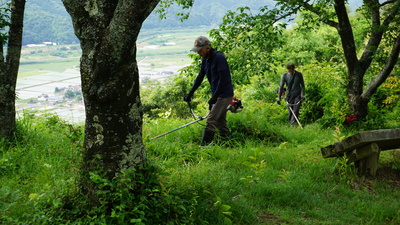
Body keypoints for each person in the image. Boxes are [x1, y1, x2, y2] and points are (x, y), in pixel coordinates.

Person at [184, 36, 234, 145]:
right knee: (220, 121)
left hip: (224, 94)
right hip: (217, 94)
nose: (198, 53)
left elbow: (224, 79)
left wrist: (214, 98)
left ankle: (203, 148)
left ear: (207, 47)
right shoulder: (205, 59)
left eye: (199, 50)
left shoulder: (219, 57)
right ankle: (228, 144)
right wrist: (190, 93)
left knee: (211, 120)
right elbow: (200, 77)